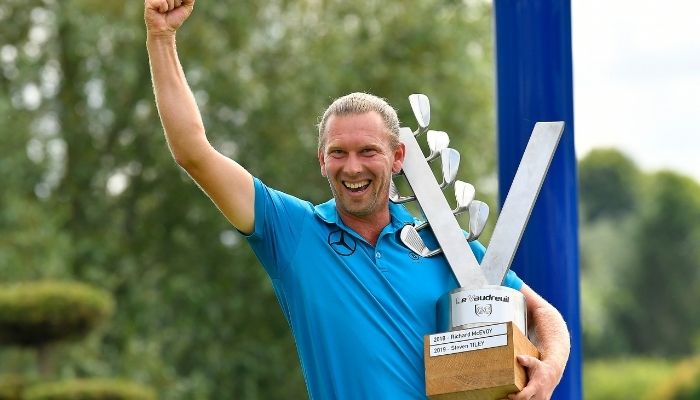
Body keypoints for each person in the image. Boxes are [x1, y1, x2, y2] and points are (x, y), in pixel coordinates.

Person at [145, 1, 571, 399]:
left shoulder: (446, 244)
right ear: (321, 161)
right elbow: (193, 152)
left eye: (368, 152)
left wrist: (549, 369)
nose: (352, 167)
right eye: (338, 153)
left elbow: (542, 313)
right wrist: (161, 37)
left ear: (398, 157)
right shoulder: (292, 232)